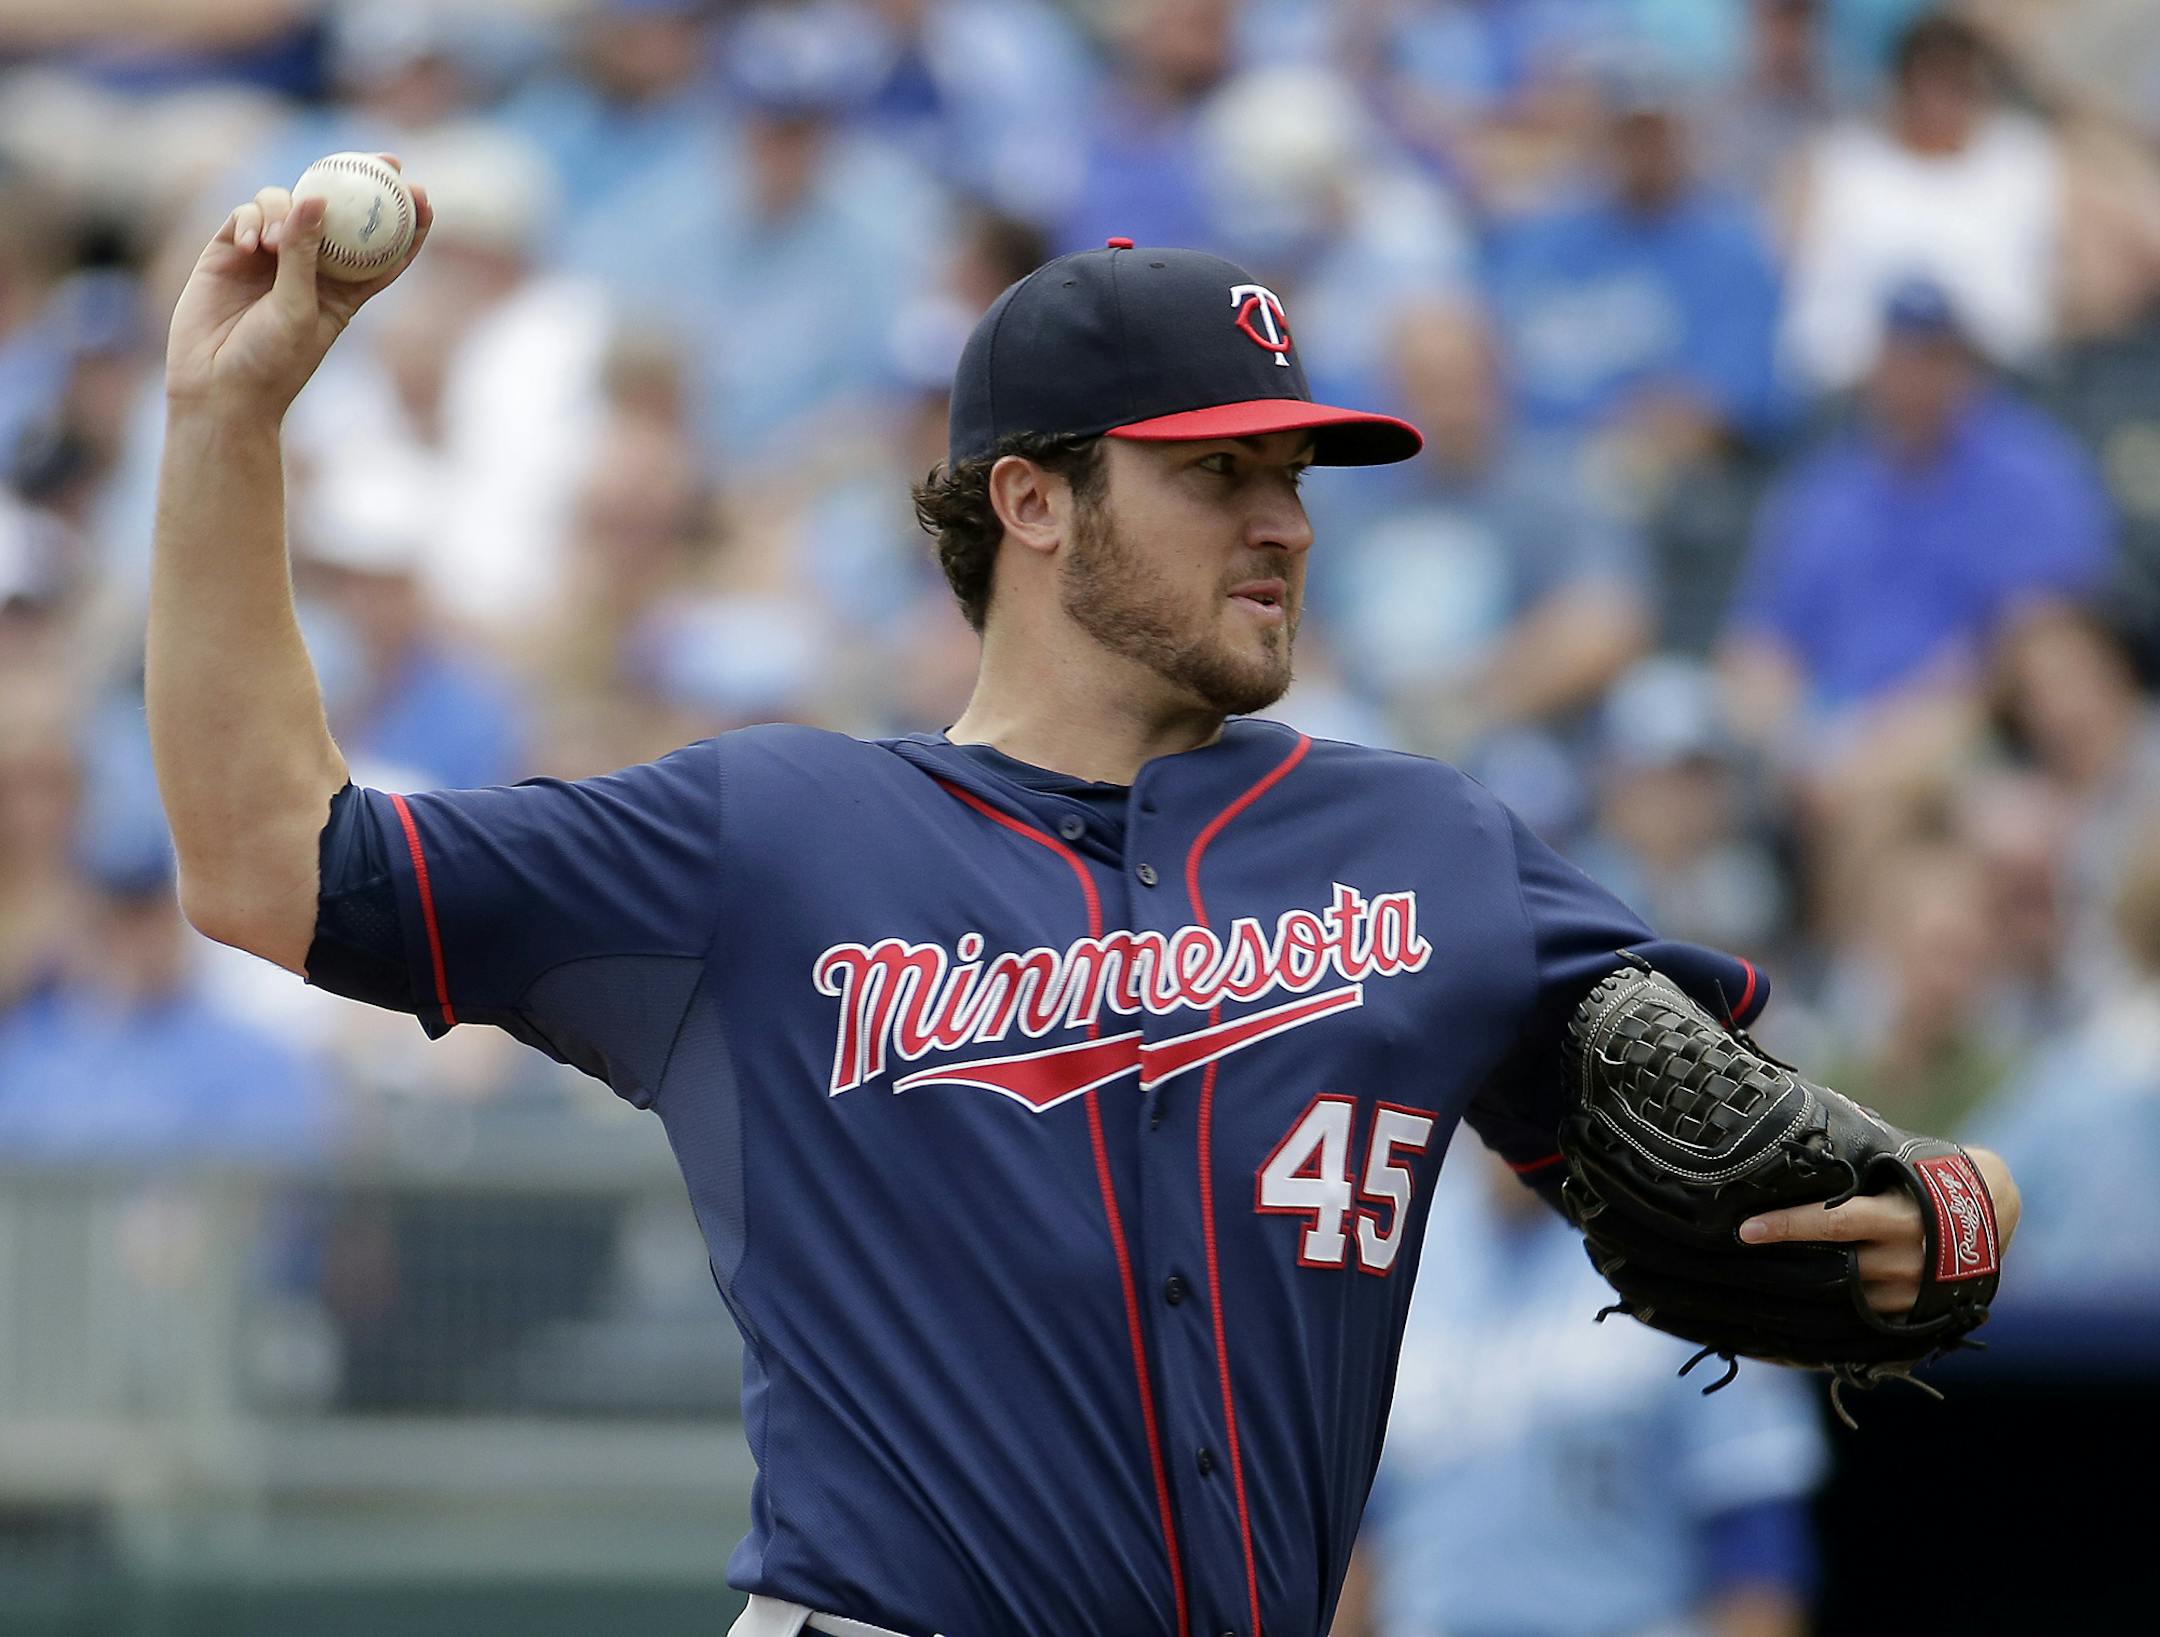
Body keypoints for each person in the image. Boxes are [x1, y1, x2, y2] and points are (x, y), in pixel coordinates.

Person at [150, 165, 2021, 1637]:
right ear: (1032, 503)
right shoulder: (773, 837)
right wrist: (228, 428)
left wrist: (1951, 1216)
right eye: (1217, 473)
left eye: (1292, 468)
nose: (1284, 516)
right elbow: (261, 859)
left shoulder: (1435, 849)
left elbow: (1852, 1168)